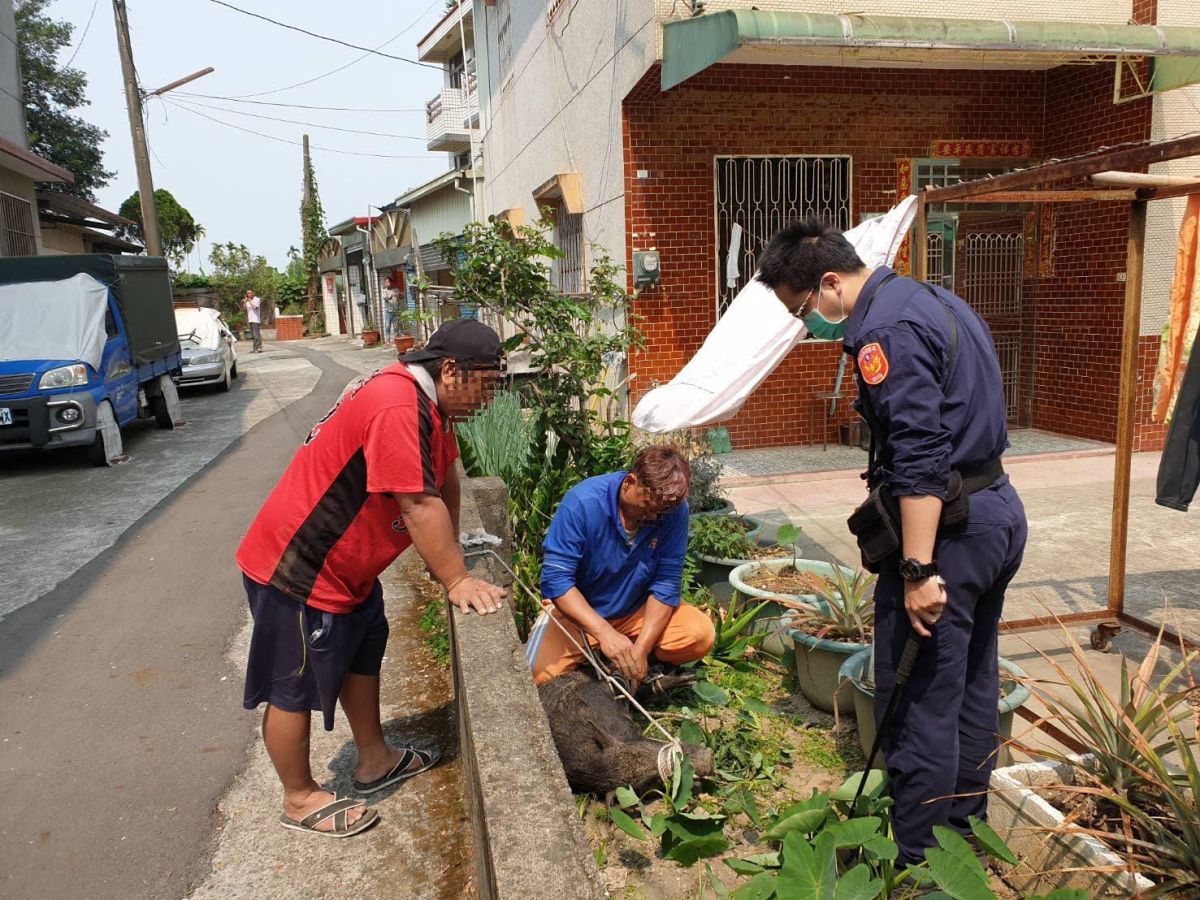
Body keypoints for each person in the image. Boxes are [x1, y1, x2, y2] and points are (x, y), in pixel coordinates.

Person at [756, 219, 1028, 869]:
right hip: (997, 512)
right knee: (970, 688)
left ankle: (919, 865)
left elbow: (919, 454)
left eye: (802, 310)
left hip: (950, 534)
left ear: (829, 283)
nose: (807, 326)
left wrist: (917, 567)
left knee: (919, 704)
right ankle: (962, 834)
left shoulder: (882, 330)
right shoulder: (934, 298)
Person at [235, 319, 508, 838]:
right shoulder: (396, 402)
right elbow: (416, 500)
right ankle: (297, 797)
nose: (489, 398)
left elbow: (443, 477)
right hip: (299, 567)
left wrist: (445, 556)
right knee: (291, 684)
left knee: (363, 650)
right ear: (452, 370)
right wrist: (455, 580)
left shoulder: (432, 406)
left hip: (350, 570)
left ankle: (374, 758)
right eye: (487, 384)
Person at [527, 445, 715, 687]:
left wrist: (641, 650)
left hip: (636, 611)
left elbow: (666, 583)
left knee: (699, 635)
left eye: (660, 513)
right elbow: (556, 581)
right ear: (629, 482)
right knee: (536, 675)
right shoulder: (581, 503)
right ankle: (602, 657)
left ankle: (633, 668)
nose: (652, 519)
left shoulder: (673, 512)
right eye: (647, 508)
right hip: (580, 615)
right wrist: (605, 634)